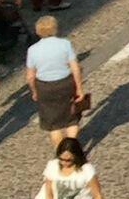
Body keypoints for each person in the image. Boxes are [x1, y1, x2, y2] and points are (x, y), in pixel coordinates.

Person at [24, 14, 87, 148]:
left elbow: (30, 76)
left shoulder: (32, 50)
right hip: (65, 83)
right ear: (55, 29)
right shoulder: (65, 44)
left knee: (54, 124)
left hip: (44, 87)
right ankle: (72, 147)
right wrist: (79, 88)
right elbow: (75, 68)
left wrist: (34, 91)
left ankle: (61, 152)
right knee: (72, 119)